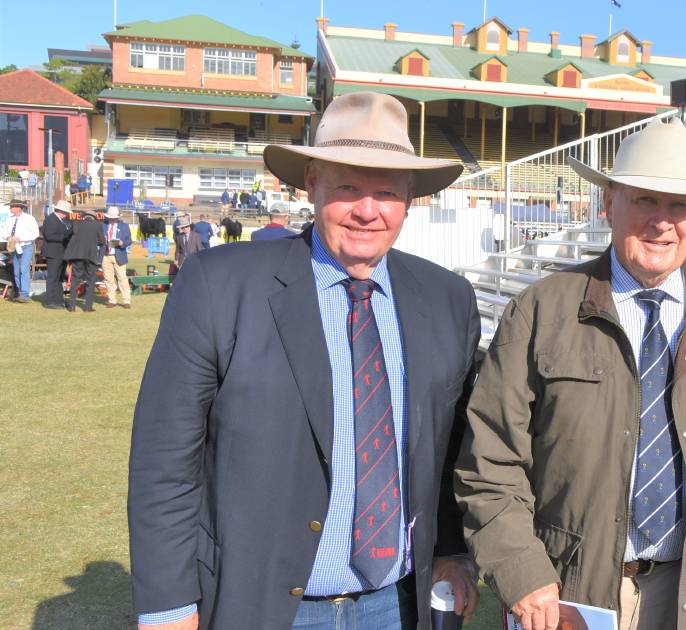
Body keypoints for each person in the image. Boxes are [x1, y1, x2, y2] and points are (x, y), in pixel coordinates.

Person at [129, 91, 480, 630]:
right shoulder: (220, 285)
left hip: (398, 604)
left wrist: (454, 550)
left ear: (410, 199)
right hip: (266, 605)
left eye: (387, 191)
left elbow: (452, 443)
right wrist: (169, 606)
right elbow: (166, 460)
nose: (368, 210)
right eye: (348, 187)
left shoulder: (447, 298)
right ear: (311, 184)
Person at [455, 118, 686, 630]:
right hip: (569, 595)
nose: (662, 222)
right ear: (607, 203)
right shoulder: (540, 312)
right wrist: (524, 573)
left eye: (680, 205)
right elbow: (490, 461)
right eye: (644, 200)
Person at [63, 208, 105, 312]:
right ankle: (87, 307)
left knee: (75, 280)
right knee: (90, 281)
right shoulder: (98, 225)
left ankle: (72, 306)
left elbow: (67, 235)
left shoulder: (76, 223)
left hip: (78, 255)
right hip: (91, 256)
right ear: (94, 217)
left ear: (84, 216)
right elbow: (101, 241)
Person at [3, 198, 40, 302]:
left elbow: (35, 233)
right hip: (15, 247)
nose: (10, 208)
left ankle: (24, 294)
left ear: (19, 208)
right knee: (17, 271)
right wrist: (8, 237)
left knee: (23, 269)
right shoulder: (10, 219)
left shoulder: (29, 219)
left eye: (12, 206)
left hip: (26, 246)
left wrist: (21, 238)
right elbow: (4, 231)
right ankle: (19, 292)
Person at [40, 199, 73, 309]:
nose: (67, 214)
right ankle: (50, 301)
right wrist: (65, 236)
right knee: (53, 277)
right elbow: (49, 236)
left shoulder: (62, 220)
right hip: (53, 253)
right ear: (61, 211)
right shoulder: (50, 220)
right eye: (66, 212)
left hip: (61, 253)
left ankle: (59, 300)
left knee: (59, 278)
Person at [101, 206, 133, 310]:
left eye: (114, 218)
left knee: (122, 278)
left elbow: (129, 241)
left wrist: (122, 243)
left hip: (119, 255)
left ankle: (126, 301)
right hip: (105, 256)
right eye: (110, 217)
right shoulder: (103, 225)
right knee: (108, 279)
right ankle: (112, 300)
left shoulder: (124, 226)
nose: (112, 219)